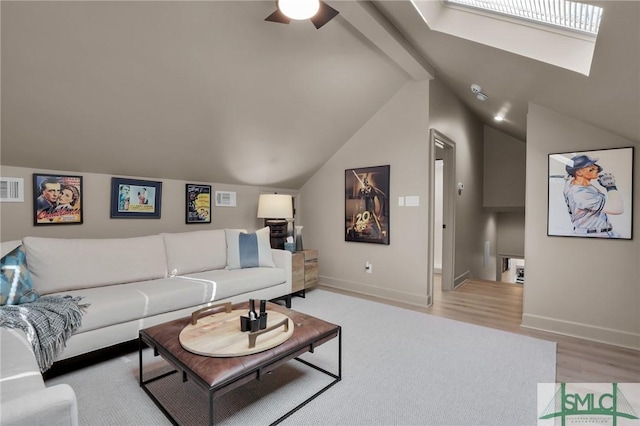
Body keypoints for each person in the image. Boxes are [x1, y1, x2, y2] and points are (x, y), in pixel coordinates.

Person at [563, 154, 623, 237]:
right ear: (579, 172)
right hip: (593, 234)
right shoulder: (581, 193)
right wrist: (611, 186)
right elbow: (617, 209)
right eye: (589, 165)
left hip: (599, 232)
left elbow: (569, 178)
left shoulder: (573, 184)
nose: (596, 167)